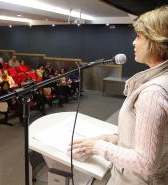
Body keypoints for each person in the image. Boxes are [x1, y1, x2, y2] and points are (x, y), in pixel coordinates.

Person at [69, 5, 168, 185]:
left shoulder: (153, 93)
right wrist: (114, 139)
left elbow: (146, 163)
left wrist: (97, 146)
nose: (133, 42)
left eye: (139, 37)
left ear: (156, 41)